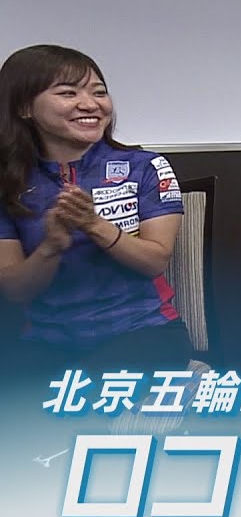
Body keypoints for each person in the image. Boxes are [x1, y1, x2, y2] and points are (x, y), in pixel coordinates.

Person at [0, 44, 191, 399]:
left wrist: (94, 225)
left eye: (99, 92)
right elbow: (15, 289)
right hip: (46, 341)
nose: (90, 104)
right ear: (25, 107)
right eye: (68, 93)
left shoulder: (145, 167)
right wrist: (51, 247)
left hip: (145, 333)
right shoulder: (9, 184)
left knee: (71, 399)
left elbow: (154, 260)